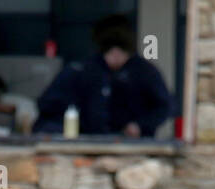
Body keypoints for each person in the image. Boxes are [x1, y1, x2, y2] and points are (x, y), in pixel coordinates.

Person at [33, 18, 170, 137]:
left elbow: (165, 106)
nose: (114, 59)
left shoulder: (144, 71)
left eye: (119, 53)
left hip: (133, 141)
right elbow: (51, 103)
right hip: (91, 138)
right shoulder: (88, 69)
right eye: (110, 52)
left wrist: (140, 125)